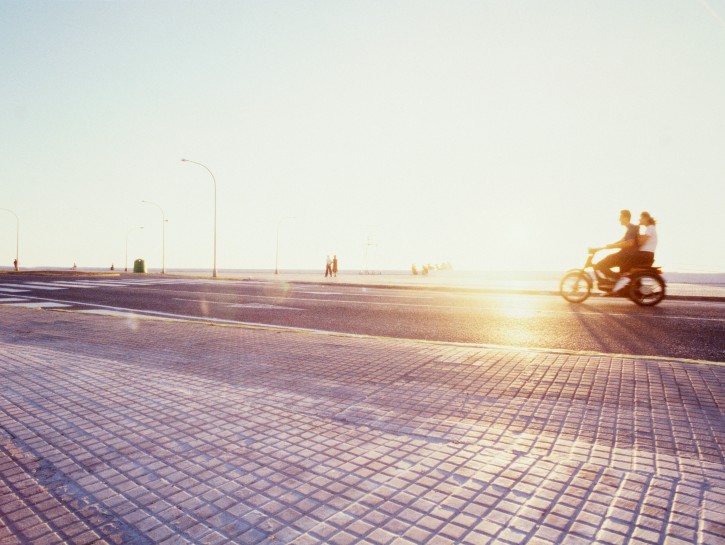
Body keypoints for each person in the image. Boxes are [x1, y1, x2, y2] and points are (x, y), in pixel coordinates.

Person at [610, 211, 658, 294]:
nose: (639, 219)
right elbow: (641, 240)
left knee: (624, 262)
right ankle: (630, 285)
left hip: (644, 254)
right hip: (645, 254)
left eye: (641, 218)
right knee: (627, 267)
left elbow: (641, 242)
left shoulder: (650, 228)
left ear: (646, 218)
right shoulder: (650, 228)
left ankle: (621, 286)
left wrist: (634, 237)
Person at [593, 210, 639, 280]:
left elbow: (630, 243)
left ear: (626, 218)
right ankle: (616, 279)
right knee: (605, 261)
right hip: (625, 255)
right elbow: (622, 241)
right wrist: (609, 246)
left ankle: (618, 279)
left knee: (600, 265)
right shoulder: (630, 229)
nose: (619, 219)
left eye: (620, 217)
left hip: (626, 255)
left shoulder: (632, 228)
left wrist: (613, 246)